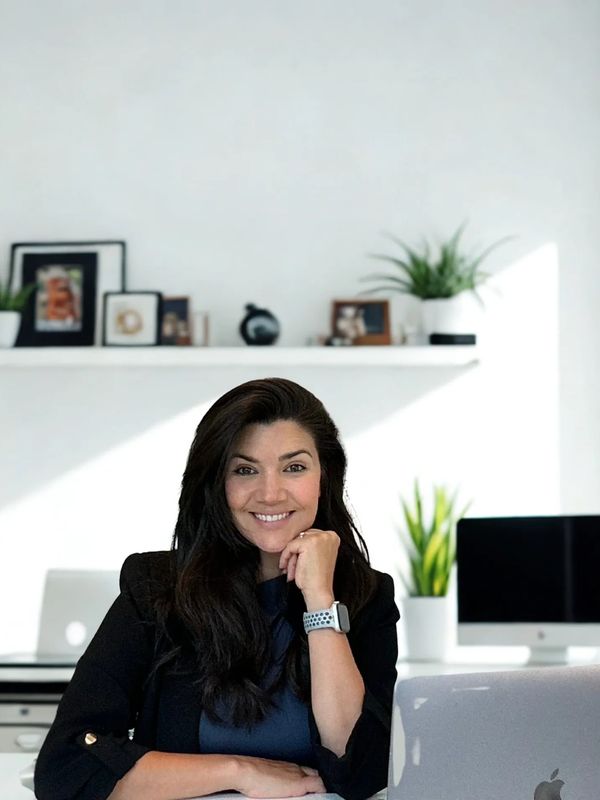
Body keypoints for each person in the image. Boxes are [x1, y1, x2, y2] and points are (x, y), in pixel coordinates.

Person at [34, 377, 399, 800]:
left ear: (325, 476)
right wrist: (237, 771)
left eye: (294, 467)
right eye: (245, 470)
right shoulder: (155, 588)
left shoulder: (366, 595)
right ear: (217, 484)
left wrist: (320, 600)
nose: (270, 493)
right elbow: (66, 769)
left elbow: (362, 771)